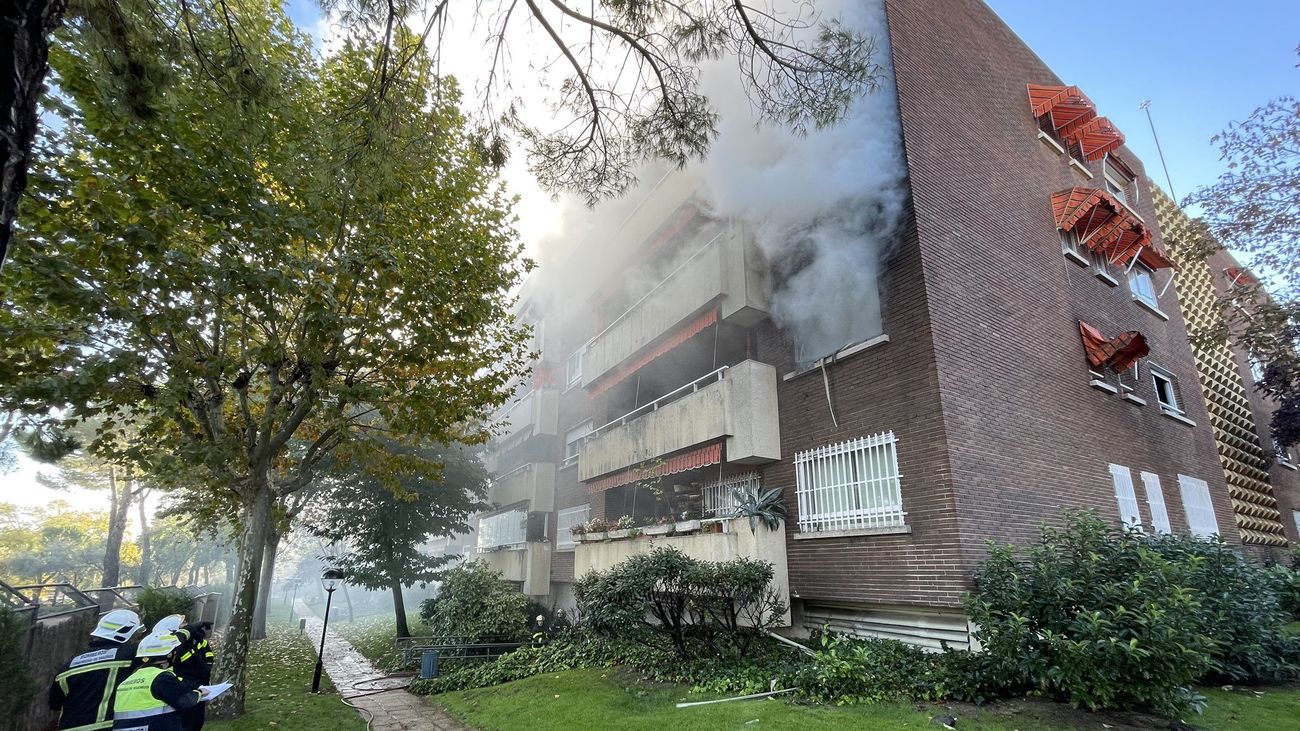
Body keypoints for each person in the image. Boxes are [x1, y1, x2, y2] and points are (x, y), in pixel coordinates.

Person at [49, 609, 143, 731]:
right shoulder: (128, 655)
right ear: (127, 634)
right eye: (138, 633)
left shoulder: (67, 667)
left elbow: (54, 704)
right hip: (105, 727)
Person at [111, 632, 206, 731]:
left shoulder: (126, 681)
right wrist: (200, 693)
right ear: (169, 654)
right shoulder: (162, 678)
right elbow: (186, 701)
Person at [170, 620, 214, 731]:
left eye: (186, 622)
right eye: (183, 623)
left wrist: (207, 667)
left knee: (198, 721)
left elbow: (208, 655)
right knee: (188, 723)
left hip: (200, 684)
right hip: (186, 686)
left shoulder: (198, 639)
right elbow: (186, 662)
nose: (186, 624)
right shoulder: (177, 646)